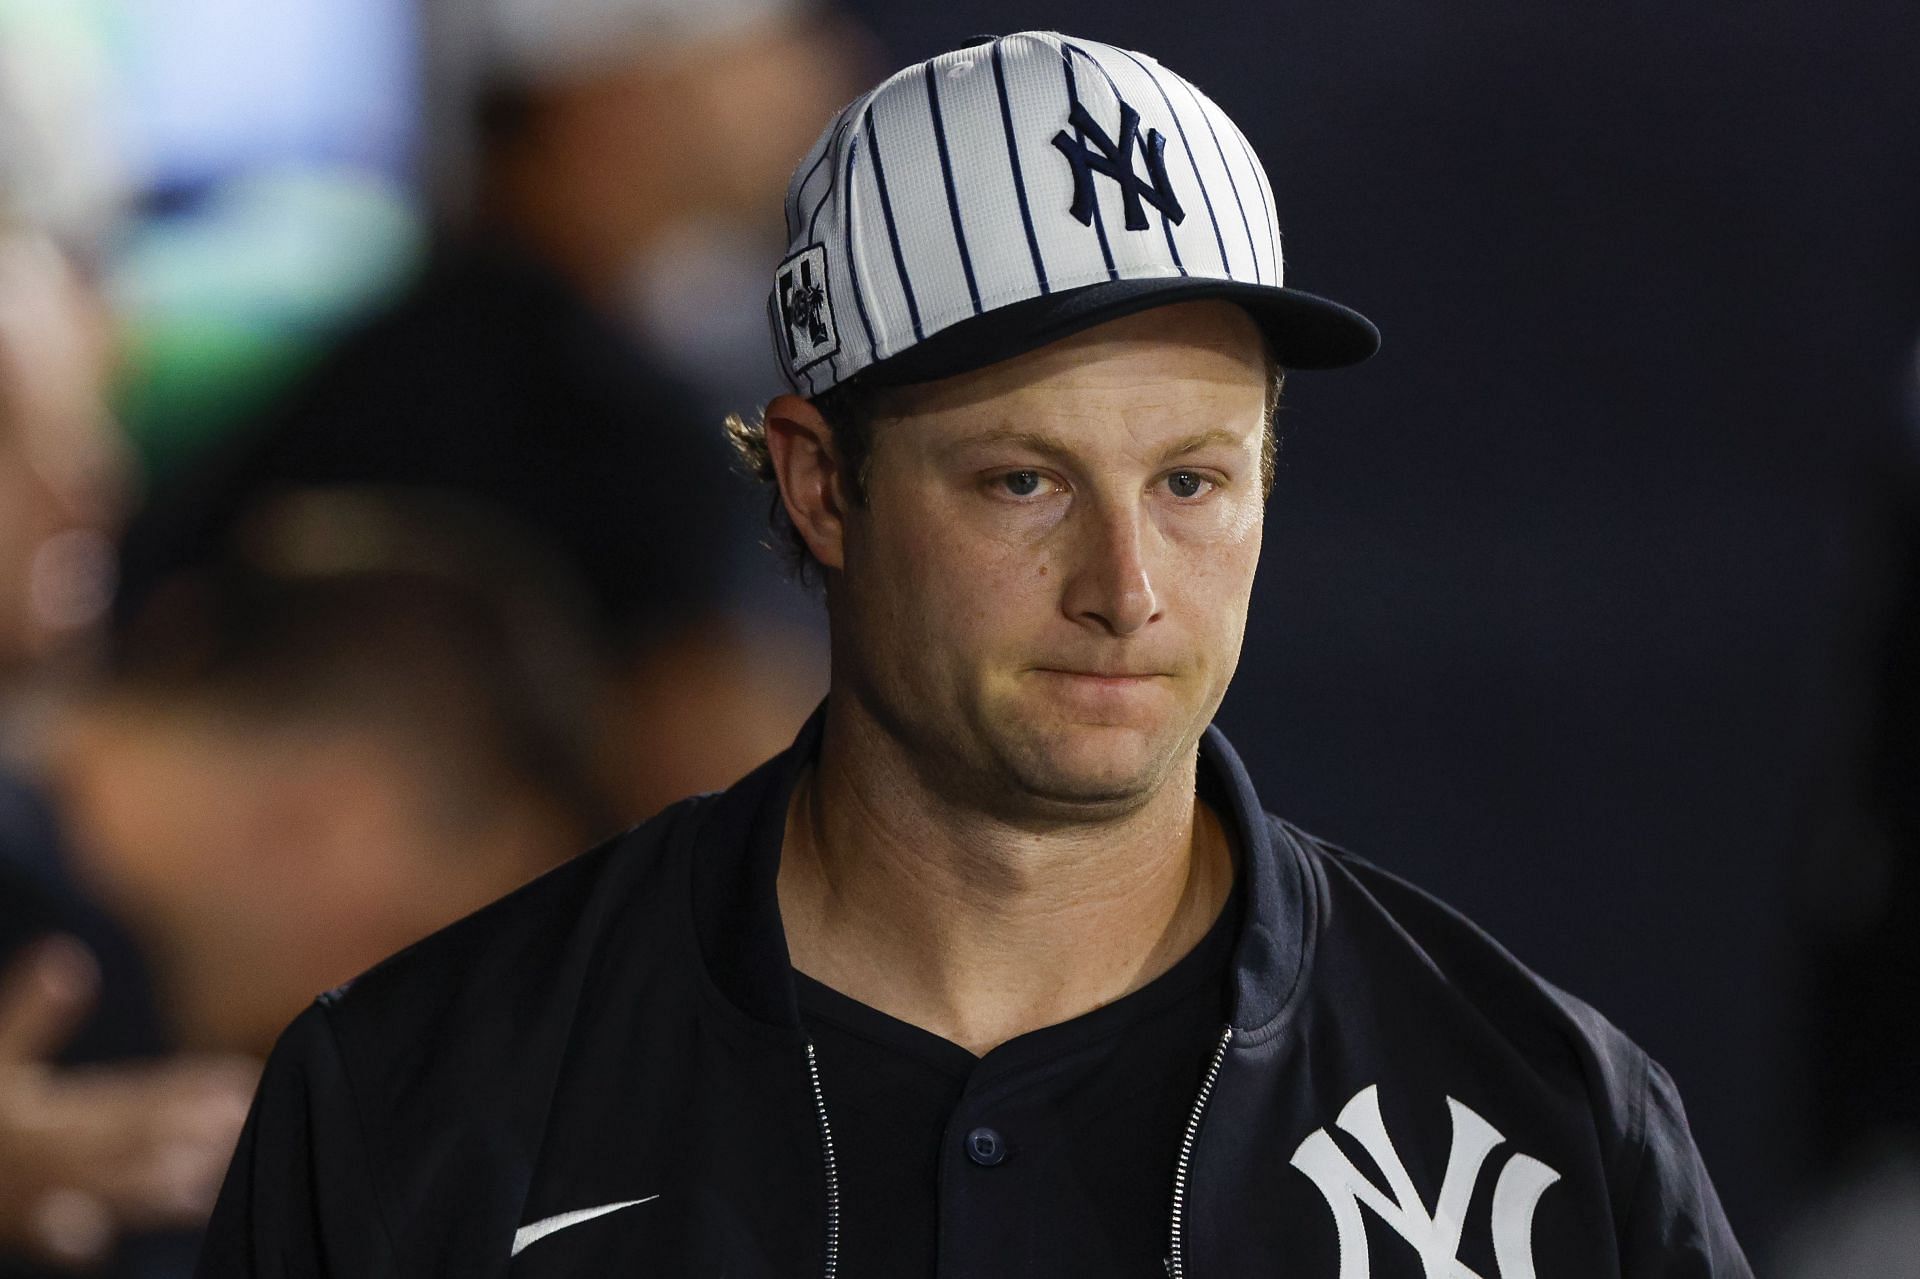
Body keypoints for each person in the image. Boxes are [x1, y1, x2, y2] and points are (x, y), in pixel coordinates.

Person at [195, 32, 1751, 1276]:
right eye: (1024, 481)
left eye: (1193, 482)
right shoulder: (422, 1102)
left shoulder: (1548, 1123)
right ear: (819, 487)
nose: (1126, 588)